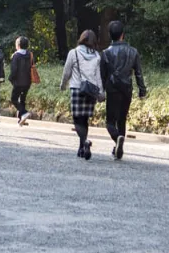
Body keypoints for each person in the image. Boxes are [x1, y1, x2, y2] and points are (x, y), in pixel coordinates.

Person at [101, 19, 147, 159]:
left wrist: (101, 91)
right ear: (123, 34)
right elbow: (138, 72)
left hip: (112, 89)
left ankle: (117, 138)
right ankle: (119, 147)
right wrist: (142, 89)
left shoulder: (106, 53)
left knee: (110, 121)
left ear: (110, 35)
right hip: (127, 88)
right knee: (122, 119)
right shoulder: (133, 52)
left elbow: (103, 75)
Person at [60, 29, 105, 160]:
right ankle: (81, 148)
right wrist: (101, 92)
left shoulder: (73, 53)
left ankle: (84, 141)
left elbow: (67, 72)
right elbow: (98, 76)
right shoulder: (97, 56)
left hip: (76, 89)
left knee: (77, 119)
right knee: (84, 119)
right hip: (91, 91)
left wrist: (63, 85)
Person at [7, 36, 36, 126]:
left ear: (18, 45)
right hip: (28, 82)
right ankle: (21, 119)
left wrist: (11, 78)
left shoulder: (16, 56)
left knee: (14, 99)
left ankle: (24, 113)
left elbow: (14, 70)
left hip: (18, 82)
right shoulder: (30, 54)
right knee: (22, 99)